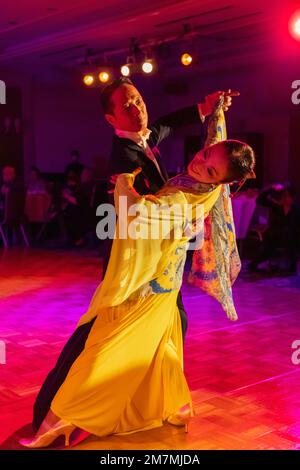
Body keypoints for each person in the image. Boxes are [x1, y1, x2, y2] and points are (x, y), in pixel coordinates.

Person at [20, 103, 255, 448]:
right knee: (162, 348)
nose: (199, 163)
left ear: (222, 182)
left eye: (208, 170)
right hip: (166, 284)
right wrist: (214, 112)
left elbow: (139, 214)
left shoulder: (179, 199)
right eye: (205, 154)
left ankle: (58, 422)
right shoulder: (212, 187)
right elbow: (218, 142)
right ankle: (174, 405)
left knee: (106, 351)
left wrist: (126, 182)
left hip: (149, 289)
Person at [248, 184, 300, 274]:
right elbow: (260, 200)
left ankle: (291, 267)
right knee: (267, 248)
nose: (286, 199)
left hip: (290, 238)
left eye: (288, 196)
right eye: (284, 196)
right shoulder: (276, 207)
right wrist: (271, 189)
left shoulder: (296, 209)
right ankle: (257, 263)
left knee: (291, 239)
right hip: (274, 237)